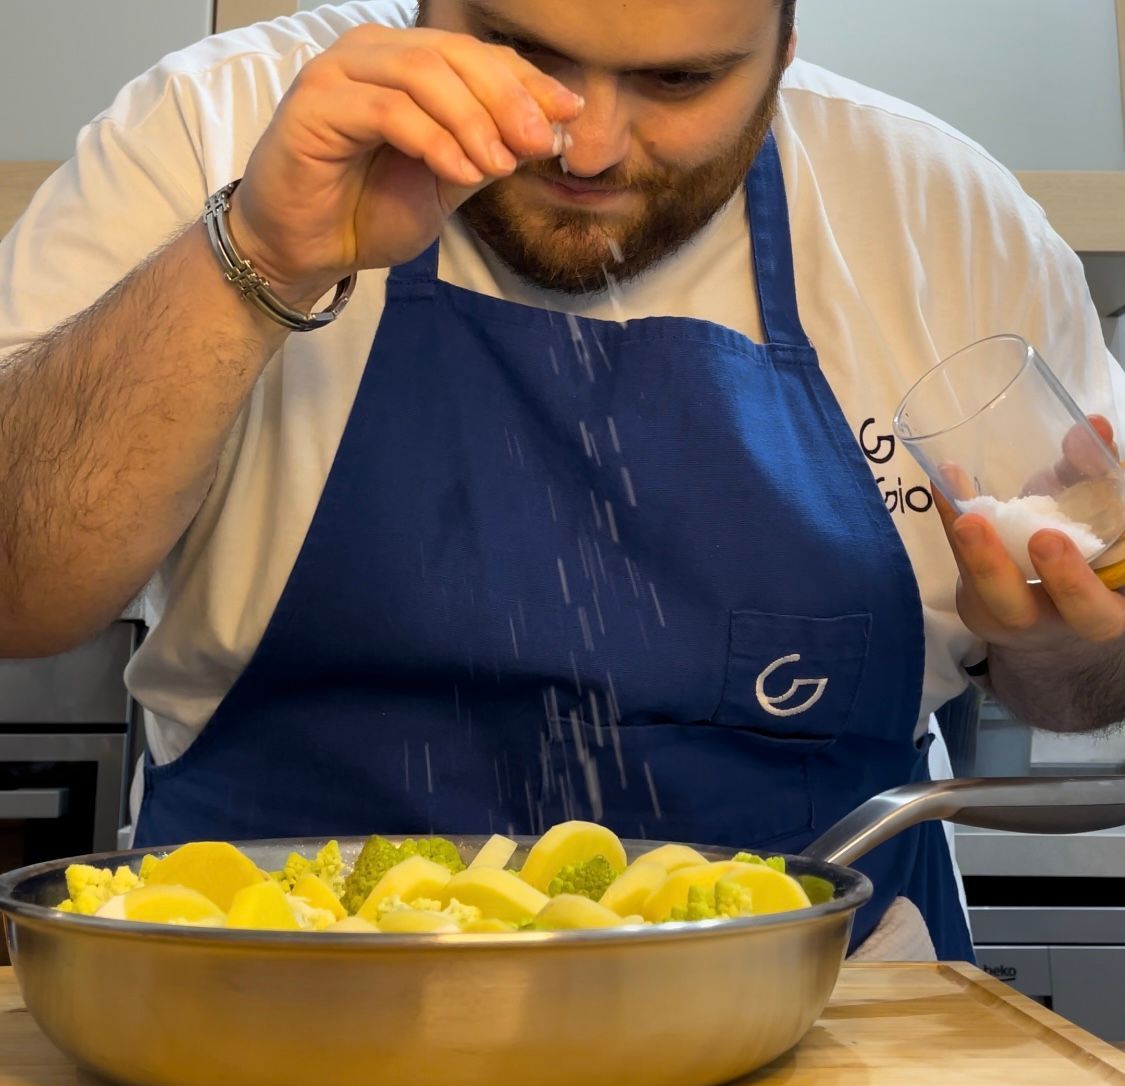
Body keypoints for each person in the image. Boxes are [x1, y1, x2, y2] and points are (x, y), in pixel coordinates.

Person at [1, 0, 1123, 960]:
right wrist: (257, 255)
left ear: (782, 44)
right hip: (276, 1002)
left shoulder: (946, 221)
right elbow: (21, 595)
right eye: (521, 53)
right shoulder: (214, 126)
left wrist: (1066, 642)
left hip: (831, 1022)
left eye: (678, 79)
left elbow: (1081, 685)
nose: (584, 149)